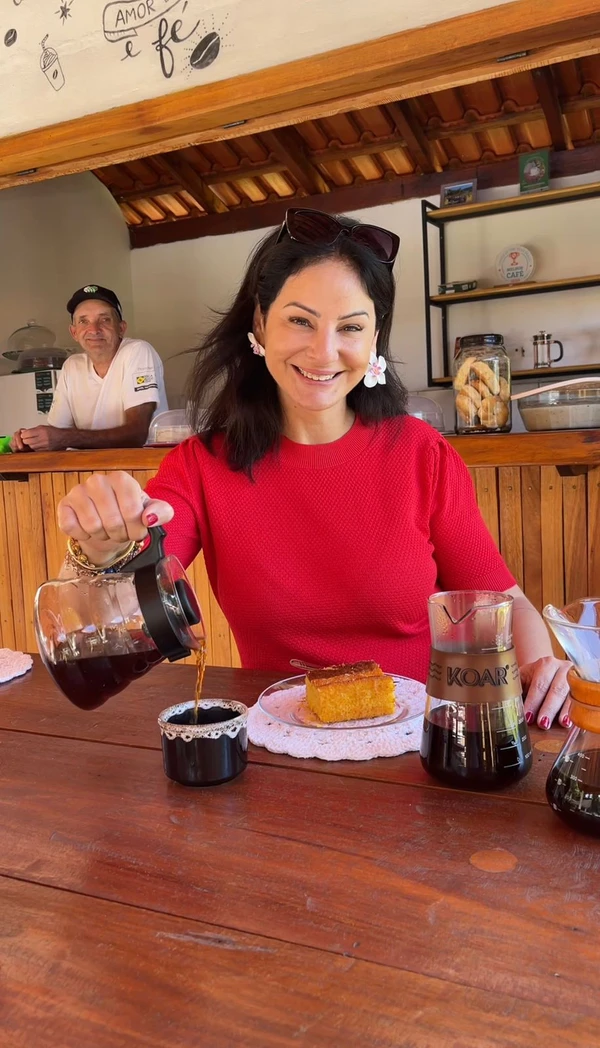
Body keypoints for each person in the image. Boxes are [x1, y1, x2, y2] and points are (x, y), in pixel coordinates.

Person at [56, 208, 571, 729]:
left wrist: (539, 669)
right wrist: (99, 545)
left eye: (351, 327)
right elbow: (116, 604)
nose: (324, 352)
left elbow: (505, 603)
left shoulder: (422, 454)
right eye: (300, 320)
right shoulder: (200, 466)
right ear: (260, 322)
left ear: (374, 338)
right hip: (277, 745)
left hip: (420, 743)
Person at [11, 285, 168, 452]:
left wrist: (63, 438)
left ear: (121, 328)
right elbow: (56, 437)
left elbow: (137, 434)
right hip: (90, 466)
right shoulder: (72, 366)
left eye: (105, 319)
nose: (94, 330)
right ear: (74, 332)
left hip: (141, 465)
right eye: (83, 321)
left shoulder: (137, 351)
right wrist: (32, 443)